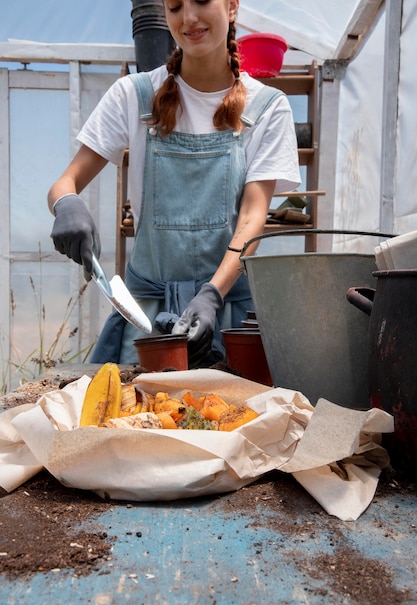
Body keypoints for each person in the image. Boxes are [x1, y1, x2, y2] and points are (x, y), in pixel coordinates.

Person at [48, 0, 301, 368]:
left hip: (227, 313)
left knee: (229, 416)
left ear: (231, 7)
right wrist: (66, 204)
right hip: (145, 320)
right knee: (136, 418)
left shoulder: (266, 107)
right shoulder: (133, 96)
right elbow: (64, 182)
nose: (189, 18)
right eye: (175, 6)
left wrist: (211, 295)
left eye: (200, 1)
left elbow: (253, 216)